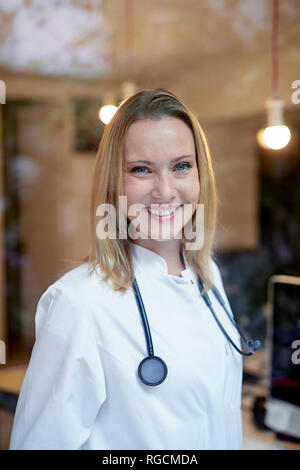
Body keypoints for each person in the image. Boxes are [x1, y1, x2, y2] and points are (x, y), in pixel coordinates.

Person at [9, 88, 243, 450]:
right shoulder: (79, 303)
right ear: (113, 183)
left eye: (181, 166)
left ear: (201, 176)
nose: (165, 191)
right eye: (141, 170)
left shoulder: (206, 276)